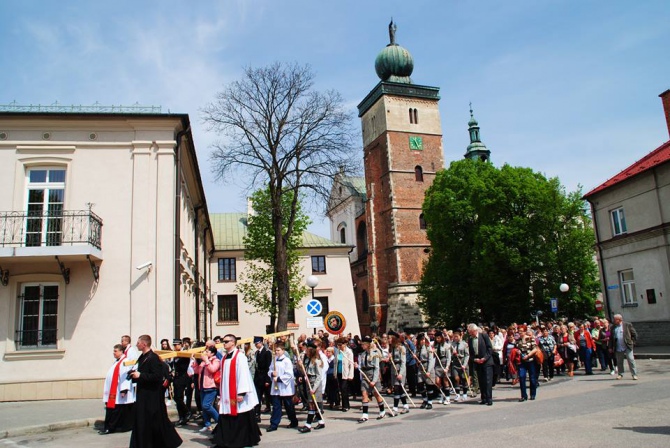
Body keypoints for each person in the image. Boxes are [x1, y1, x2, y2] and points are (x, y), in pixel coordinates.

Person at [128, 334, 182, 448]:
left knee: (153, 421)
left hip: (151, 395)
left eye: (138, 343)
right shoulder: (142, 357)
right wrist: (134, 374)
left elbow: (157, 377)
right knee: (141, 420)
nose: (137, 345)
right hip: (142, 393)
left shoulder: (153, 358)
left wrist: (140, 375)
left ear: (144, 344)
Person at [211, 334, 261, 448]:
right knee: (226, 414)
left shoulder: (240, 357)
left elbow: (243, 375)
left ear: (233, 343)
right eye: (224, 341)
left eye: (226, 341)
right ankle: (225, 440)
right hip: (227, 393)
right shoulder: (224, 357)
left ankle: (239, 440)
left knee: (239, 415)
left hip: (236, 393)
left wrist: (241, 393)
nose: (224, 343)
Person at [101, 344, 133, 434]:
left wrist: (124, 390)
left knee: (116, 411)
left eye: (115, 351)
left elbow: (125, 376)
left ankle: (111, 428)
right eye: (113, 351)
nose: (113, 353)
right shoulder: (117, 361)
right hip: (113, 390)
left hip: (119, 391)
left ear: (121, 351)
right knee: (113, 410)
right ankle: (111, 427)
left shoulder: (125, 361)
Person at [267, 343, 299, 432]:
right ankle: (274, 424)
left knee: (288, 406)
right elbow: (269, 370)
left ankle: (293, 421)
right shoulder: (274, 359)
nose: (277, 352)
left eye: (278, 350)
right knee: (276, 406)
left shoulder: (287, 360)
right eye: (276, 350)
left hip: (285, 387)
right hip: (276, 387)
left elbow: (289, 374)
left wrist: (279, 378)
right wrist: (272, 374)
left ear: (283, 351)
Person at [356, 336, 386, 422]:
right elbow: (362, 366)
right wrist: (357, 366)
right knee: (364, 394)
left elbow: (376, 368)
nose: (362, 346)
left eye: (363, 344)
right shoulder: (363, 354)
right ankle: (365, 415)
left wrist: (374, 380)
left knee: (376, 394)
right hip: (365, 375)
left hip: (372, 374)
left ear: (367, 345)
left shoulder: (375, 353)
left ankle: (382, 411)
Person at [298, 342, 325, 433]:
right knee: (313, 404)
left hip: (314, 384)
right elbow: (305, 371)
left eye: (308, 350)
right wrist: (300, 365)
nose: (306, 352)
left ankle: (308, 425)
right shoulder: (307, 360)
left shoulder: (317, 361)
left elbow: (318, 376)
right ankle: (321, 422)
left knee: (312, 404)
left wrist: (314, 388)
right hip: (308, 382)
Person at [194, 345, 220, 432]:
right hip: (202, 386)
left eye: (208, 351)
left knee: (206, 405)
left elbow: (213, 370)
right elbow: (197, 371)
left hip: (211, 387)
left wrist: (206, 360)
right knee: (204, 407)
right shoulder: (203, 362)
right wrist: (194, 361)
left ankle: (219, 420)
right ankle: (207, 424)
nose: (205, 353)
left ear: (212, 353)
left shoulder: (216, 360)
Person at [467, 324, 493, 406]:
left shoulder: (483, 336)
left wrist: (485, 358)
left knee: (487, 380)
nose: (470, 334)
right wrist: (475, 359)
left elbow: (489, 348)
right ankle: (484, 398)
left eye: (471, 332)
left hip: (487, 361)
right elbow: (471, 353)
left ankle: (489, 398)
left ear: (475, 331)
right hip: (478, 361)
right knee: (481, 381)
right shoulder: (470, 339)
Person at [609, 314, 638, 380]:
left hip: (627, 345)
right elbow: (611, 338)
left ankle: (634, 374)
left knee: (631, 360)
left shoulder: (627, 325)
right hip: (618, 346)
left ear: (620, 319)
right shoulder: (613, 327)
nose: (614, 320)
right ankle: (620, 374)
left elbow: (634, 334)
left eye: (615, 319)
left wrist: (632, 342)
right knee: (619, 361)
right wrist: (610, 347)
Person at [171, 339, 192, 426]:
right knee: (176, 397)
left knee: (179, 397)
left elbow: (184, 365)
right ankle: (182, 417)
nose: (175, 347)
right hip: (176, 377)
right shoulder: (175, 354)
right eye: (174, 345)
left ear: (181, 345)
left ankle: (186, 412)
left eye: (177, 345)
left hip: (182, 377)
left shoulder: (184, 354)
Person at [388, 333, 409, 415]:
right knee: (399, 390)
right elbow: (391, 361)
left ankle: (395, 408)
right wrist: (389, 358)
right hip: (394, 370)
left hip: (400, 369)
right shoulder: (392, 348)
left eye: (390, 338)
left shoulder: (401, 348)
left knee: (397, 388)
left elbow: (403, 362)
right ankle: (405, 406)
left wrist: (401, 373)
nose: (389, 340)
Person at [253, 336, 272, 421]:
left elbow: (268, 367)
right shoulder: (257, 353)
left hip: (265, 377)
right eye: (255, 344)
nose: (256, 345)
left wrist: (268, 379)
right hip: (258, 378)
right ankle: (257, 414)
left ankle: (272, 412)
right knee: (257, 396)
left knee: (269, 396)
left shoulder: (267, 352)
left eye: (257, 343)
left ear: (261, 342)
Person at [517, 332, 539, 402]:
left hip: (531, 360)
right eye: (519, 331)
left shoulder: (530, 339)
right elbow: (516, 349)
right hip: (522, 362)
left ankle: (533, 394)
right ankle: (523, 396)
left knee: (532, 378)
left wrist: (528, 355)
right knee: (521, 377)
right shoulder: (518, 340)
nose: (521, 333)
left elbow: (535, 349)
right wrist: (517, 351)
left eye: (522, 331)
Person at [416, 333, 437, 409]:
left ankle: (430, 402)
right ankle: (425, 399)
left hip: (428, 367)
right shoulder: (418, 348)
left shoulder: (428, 348)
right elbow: (418, 359)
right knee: (420, 384)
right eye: (421, 340)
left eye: (423, 339)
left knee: (429, 386)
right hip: (421, 368)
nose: (422, 341)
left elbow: (431, 360)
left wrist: (428, 371)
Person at [335, 337, 354, 412]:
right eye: (338, 345)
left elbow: (351, 364)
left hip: (345, 373)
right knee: (341, 389)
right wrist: (334, 373)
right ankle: (344, 405)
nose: (339, 346)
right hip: (339, 372)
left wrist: (350, 375)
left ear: (345, 344)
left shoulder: (349, 352)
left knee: (344, 389)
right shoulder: (338, 351)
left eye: (340, 345)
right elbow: (335, 363)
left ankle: (346, 405)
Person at [450, 329, 470, 401]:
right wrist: (453, 354)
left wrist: (464, 364)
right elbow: (450, 356)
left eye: (457, 336)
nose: (455, 338)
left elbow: (467, 355)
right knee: (456, 378)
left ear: (460, 336)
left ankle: (464, 394)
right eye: (454, 337)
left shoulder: (464, 344)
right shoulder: (452, 345)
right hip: (455, 364)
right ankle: (457, 394)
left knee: (464, 379)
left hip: (463, 363)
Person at [433, 332, 452, 404]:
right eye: (436, 338)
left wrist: (447, 367)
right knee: (437, 382)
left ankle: (447, 397)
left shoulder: (446, 346)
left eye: (439, 338)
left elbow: (449, 357)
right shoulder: (435, 346)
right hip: (437, 365)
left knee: (445, 381)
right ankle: (442, 395)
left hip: (444, 364)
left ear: (441, 338)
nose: (437, 339)